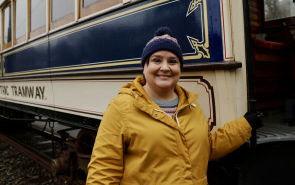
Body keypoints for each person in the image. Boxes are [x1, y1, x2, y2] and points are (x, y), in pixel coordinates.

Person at [86, 27, 262, 185]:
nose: (165, 67)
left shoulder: (190, 105)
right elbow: (103, 171)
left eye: (172, 61)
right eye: (157, 60)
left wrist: (245, 125)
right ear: (144, 66)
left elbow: (206, 148)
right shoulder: (121, 107)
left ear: (179, 68)